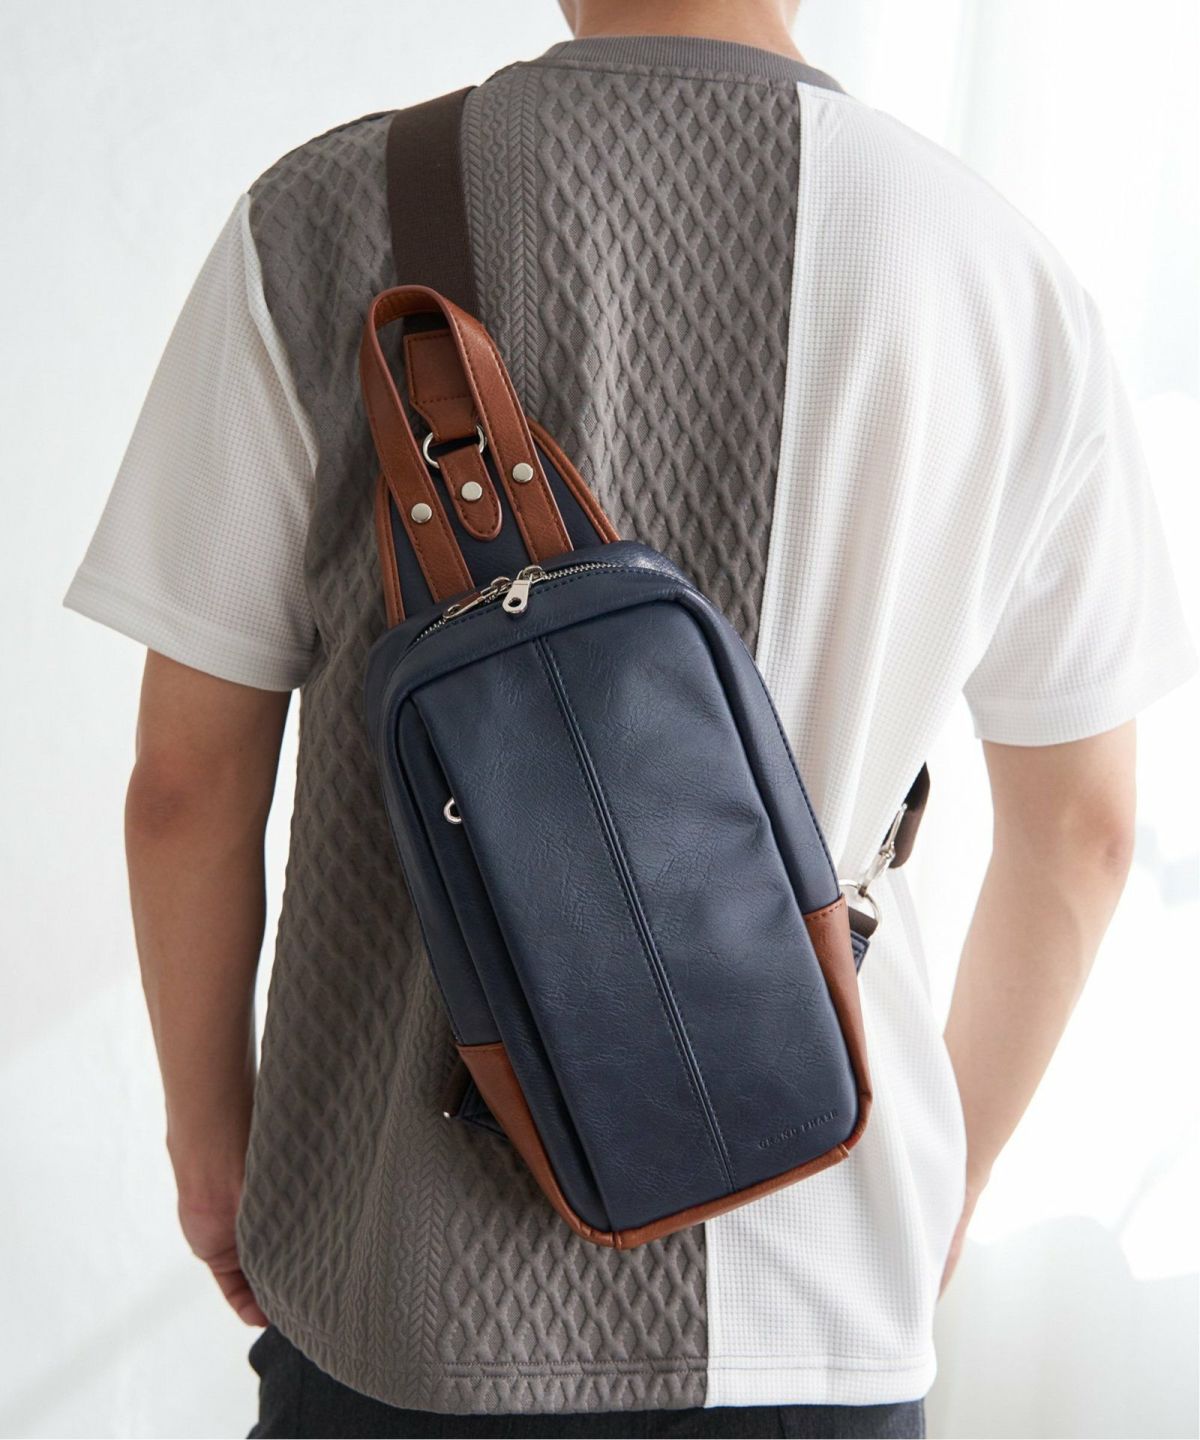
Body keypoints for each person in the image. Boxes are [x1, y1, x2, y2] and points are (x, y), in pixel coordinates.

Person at [64, 1, 1196, 1436]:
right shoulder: (1003, 271)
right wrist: (944, 1184)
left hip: (403, 1297)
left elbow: (185, 788)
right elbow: (1086, 833)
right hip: (823, 1299)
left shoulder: (322, 219)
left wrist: (212, 1153)